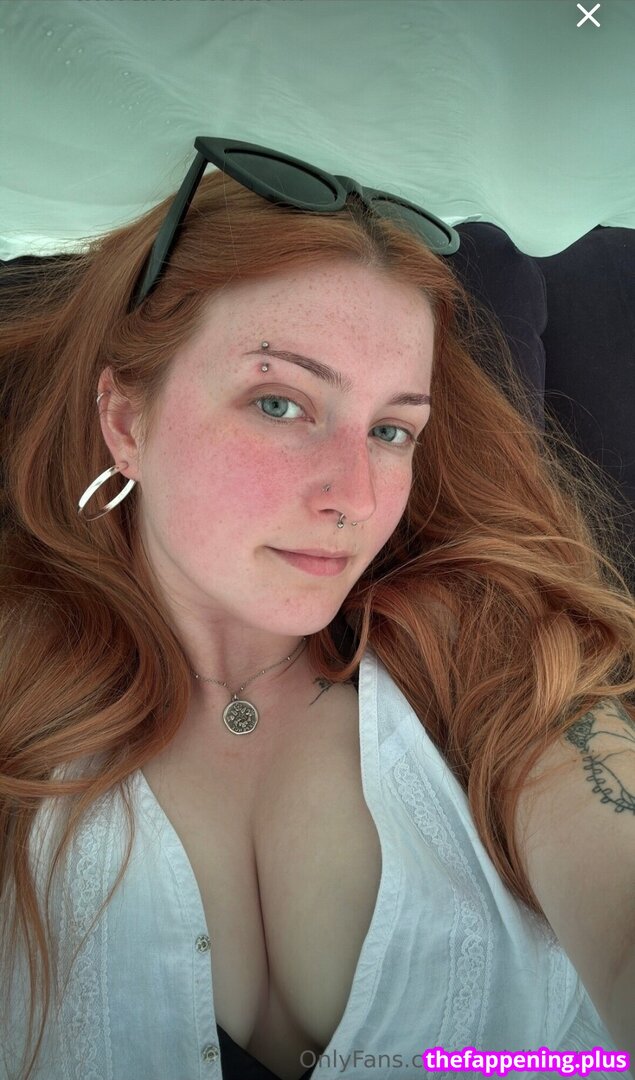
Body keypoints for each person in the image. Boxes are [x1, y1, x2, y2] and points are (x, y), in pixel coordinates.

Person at [1, 140, 634, 1080]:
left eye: (390, 429)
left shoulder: (488, 656)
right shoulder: (16, 691)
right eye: (279, 403)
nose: (354, 496)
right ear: (126, 421)